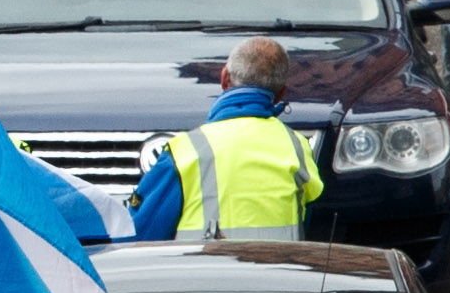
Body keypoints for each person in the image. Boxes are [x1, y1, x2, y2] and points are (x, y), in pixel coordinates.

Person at [127, 33, 324, 240]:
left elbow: (140, 232)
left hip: (204, 271)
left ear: (224, 78)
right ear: (281, 93)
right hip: (277, 271)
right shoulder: (296, 146)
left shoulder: (187, 150)